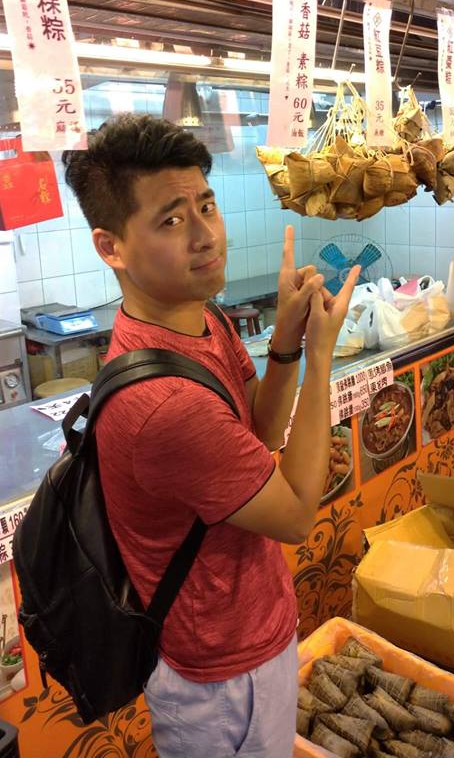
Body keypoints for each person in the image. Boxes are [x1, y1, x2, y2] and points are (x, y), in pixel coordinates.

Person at [62, 114, 359, 758]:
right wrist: (320, 355)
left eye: (206, 205)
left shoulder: (201, 320)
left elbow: (261, 428)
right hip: (221, 676)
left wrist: (286, 340)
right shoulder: (165, 405)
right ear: (111, 247)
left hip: (248, 633)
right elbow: (296, 515)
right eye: (171, 221)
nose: (206, 236)